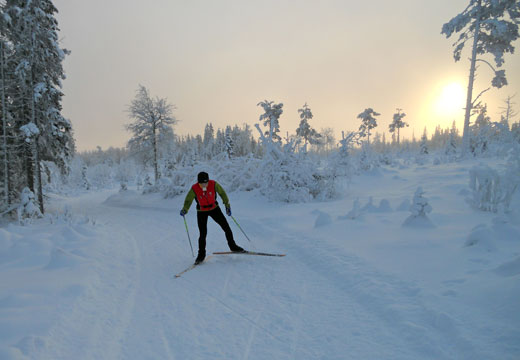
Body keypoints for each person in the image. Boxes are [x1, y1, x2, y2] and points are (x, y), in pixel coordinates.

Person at [180, 171, 245, 264]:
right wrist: (185, 209)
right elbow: (188, 200)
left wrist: (227, 205)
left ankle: (233, 246)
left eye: (206, 182)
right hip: (201, 211)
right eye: (202, 183)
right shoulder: (194, 188)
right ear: (198, 182)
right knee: (203, 234)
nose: (204, 185)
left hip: (214, 209)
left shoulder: (214, 184)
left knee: (226, 227)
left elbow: (222, 193)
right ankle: (201, 255)